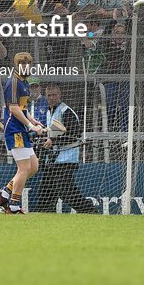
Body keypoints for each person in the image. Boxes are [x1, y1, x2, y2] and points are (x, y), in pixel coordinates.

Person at [31, 83, 97, 213]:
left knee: (66, 192)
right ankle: (43, 214)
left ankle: (90, 210)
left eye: (54, 95)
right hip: (54, 159)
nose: (52, 98)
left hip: (66, 158)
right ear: (46, 96)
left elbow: (74, 135)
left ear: (59, 95)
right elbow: (52, 133)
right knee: (46, 190)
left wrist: (53, 141)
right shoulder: (51, 112)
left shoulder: (66, 111)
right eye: (49, 95)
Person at [0, 52, 44, 214]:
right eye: (22, 64)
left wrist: (33, 120)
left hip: (21, 128)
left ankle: (3, 194)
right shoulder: (13, 82)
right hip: (14, 129)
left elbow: (22, 108)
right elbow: (13, 108)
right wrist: (30, 125)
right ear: (16, 65)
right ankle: (13, 206)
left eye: (28, 63)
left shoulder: (24, 82)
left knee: (33, 167)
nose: (25, 66)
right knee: (24, 168)